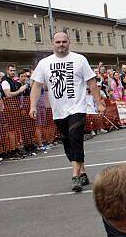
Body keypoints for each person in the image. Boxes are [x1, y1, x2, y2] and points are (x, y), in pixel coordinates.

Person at [29, 31, 106, 192]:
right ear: (53, 44)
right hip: (58, 110)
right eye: (58, 42)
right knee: (68, 143)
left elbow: (92, 83)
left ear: (69, 42)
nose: (61, 45)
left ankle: (75, 176)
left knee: (75, 138)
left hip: (77, 107)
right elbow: (36, 86)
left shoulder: (79, 60)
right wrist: (33, 106)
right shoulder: (44, 63)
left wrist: (99, 103)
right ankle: (83, 172)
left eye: (64, 41)